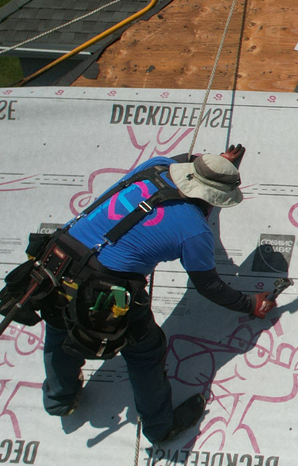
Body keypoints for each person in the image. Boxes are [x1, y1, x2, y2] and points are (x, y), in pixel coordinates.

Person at [42, 147, 277, 445]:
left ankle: (60, 400)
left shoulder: (155, 166)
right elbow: (209, 286)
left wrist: (215, 164)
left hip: (56, 262)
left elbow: (184, 160)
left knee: (59, 326)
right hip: (104, 289)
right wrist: (250, 304)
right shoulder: (193, 230)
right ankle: (160, 428)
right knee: (145, 351)